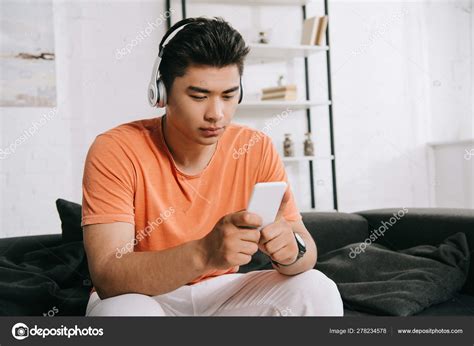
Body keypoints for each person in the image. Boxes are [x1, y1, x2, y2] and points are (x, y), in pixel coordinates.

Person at [82, 16, 343, 317]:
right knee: (124, 315)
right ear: (161, 92)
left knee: (317, 288)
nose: (216, 114)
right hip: (141, 294)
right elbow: (107, 275)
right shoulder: (116, 149)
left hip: (222, 292)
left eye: (229, 95)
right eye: (198, 96)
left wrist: (290, 251)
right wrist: (204, 253)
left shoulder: (255, 147)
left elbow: (304, 251)